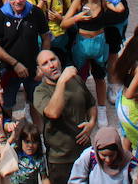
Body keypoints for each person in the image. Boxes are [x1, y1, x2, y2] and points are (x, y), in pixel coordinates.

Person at [33, 50, 96, 184]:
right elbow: (53, 113)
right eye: (45, 63)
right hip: (60, 159)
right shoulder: (40, 92)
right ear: (40, 70)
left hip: (85, 151)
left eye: (53, 59)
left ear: (59, 60)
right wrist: (61, 81)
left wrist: (91, 123)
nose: (51, 65)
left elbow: (91, 104)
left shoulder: (75, 80)